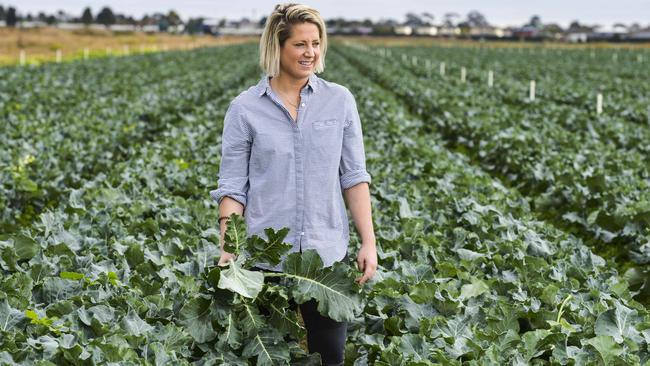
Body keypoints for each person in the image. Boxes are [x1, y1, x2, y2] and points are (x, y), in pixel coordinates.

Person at [210, 3, 377, 364]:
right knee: (270, 356)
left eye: (316, 43)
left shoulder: (340, 101)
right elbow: (233, 187)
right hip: (266, 261)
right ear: (277, 47)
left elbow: (354, 176)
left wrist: (369, 240)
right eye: (300, 44)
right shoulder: (244, 109)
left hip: (326, 257)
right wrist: (229, 247)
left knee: (330, 356)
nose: (310, 53)